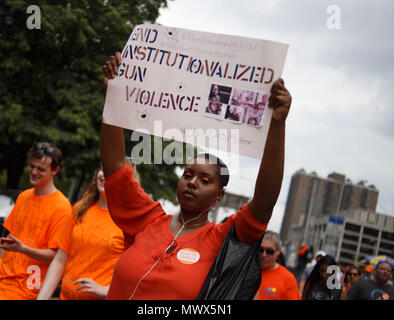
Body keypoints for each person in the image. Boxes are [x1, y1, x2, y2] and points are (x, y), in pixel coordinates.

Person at [100, 52, 292, 299]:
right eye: (188, 174)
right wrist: (113, 97)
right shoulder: (147, 220)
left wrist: (277, 124)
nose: (192, 182)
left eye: (205, 180)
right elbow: (114, 165)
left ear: (219, 195)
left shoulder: (223, 240)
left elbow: (264, 201)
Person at [0, 142, 72, 300]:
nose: (34, 172)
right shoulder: (23, 196)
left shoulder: (62, 207)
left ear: (55, 170)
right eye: (31, 166)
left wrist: (24, 249)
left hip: (24, 291)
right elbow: (8, 242)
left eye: (40, 169)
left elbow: (56, 256)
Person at [37, 161, 138, 300]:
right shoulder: (80, 209)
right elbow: (60, 261)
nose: (105, 175)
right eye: (103, 169)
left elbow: (137, 274)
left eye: (113, 172)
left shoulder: (130, 221)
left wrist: (107, 290)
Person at [253, 231, 300, 300]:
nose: (264, 255)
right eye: (261, 250)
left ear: (278, 251)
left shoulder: (288, 279)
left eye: (269, 251)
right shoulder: (247, 270)